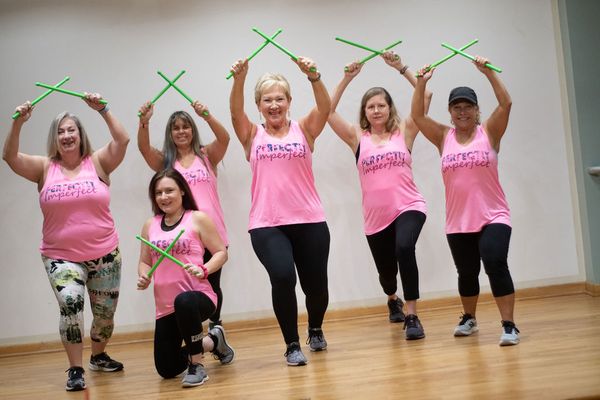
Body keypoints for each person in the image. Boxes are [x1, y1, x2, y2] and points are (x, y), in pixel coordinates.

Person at [3, 94, 129, 391]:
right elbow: (9, 156)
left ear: (80, 134)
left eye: (71, 129)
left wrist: (104, 109)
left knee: (104, 317)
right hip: (61, 256)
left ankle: (98, 357)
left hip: (105, 253)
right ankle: (75, 369)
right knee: (71, 305)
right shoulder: (45, 167)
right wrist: (17, 123)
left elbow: (122, 141)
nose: (66, 135)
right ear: (54, 138)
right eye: (60, 131)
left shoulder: (97, 161)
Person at [229, 56, 331, 366]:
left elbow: (325, 108)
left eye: (279, 98)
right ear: (259, 105)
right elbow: (235, 112)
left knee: (316, 287)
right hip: (267, 223)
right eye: (267, 100)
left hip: (310, 219)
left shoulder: (305, 130)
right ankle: (291, 344)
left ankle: (315, 328)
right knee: (283, 277)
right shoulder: (251, 135)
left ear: (288, 101)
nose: (274, 105)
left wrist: (314, 77)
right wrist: (240, 78)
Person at [411, 56, 519, 346]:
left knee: (495, 262)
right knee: (467, 271)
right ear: (450, 112)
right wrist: (421, 83)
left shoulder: (489, 132)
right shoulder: (443, 137)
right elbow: (418, 118)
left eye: (467, 106)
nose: (462, 112)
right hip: (458, 220)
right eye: (456, 107)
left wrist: (488, 73)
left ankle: (509, 325)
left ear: (476, 110)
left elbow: (506, 104)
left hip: (494, 215)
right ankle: (469, 318)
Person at [328, 51, 432, 340]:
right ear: (365, 112)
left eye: (381, 105)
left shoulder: (405, 132)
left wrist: (403, 68)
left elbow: (426, 98)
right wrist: (346, 79)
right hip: (376, 218)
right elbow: (327, 112)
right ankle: (392, 298)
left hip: (409, 205)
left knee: (404, 248)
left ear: (389, 108)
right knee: (387, 274)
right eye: (371, 107)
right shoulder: (356, 138)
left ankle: (412, 316)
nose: (376, 110)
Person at [136, 168, 235, 388]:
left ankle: (197, 366)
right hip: (165, 306)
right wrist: (144, 275)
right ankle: (213, 341)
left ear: (182, 190)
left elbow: (221, 252)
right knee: (167, 368)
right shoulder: (149, 225)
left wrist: (205, 269)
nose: (164, 197)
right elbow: (144, 261)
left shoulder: (197, 218)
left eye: (169, 190)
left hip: (198, 297)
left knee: (185, 300)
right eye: (158, 192)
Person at [137, 100, 230, 330]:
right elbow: (144, 149)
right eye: (176, 128)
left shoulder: (206, 155)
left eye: (185, 126)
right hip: (180, 236)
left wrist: (206, 114)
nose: (181, 131)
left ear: (192, 129)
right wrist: (144, 122)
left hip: (210, 230)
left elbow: (225, 138)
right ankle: (193, 333)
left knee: (211, 284)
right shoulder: (165, 162)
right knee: (185, 287)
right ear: (170, 133)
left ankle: (216, 328)